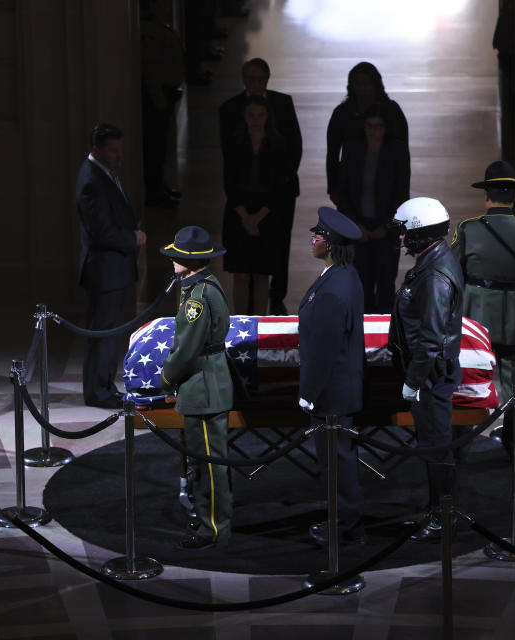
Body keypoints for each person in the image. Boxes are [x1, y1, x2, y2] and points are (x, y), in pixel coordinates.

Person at [452, 161, 515, 458]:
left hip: (477, 317)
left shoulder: (468, 230)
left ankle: (462, 443)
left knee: (469, 382)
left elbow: (454, 273)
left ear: (486, 196)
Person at [388, 197, 464, 540]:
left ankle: (442, 516)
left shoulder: (434, 275)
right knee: (434, 443)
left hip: (430, 376)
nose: (401, 238)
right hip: (430, 372)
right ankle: (438, 509)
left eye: (404, 231)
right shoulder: (431, 261)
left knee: (436, 445)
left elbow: (431, 338)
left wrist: (413, 381)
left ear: (419, 232)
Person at [159, 226, 234, 550]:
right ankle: (207, 518)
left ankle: (214, 528)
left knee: (210, 465)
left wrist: (164, 378)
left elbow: (187, 350)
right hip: (204, 384)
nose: (171, 260)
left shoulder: (198, 298)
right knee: (202, 462)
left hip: (203, 388)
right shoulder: (199, 287)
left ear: (185, 261)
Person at [298, 207, 367, 546]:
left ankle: (344, 526)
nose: (313, 238)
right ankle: (344, 521)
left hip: (332, 392)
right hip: (341, 388)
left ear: (332, 244)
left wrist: (309, 392)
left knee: (337, 464)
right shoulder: (344, 275)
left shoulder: (332, 289)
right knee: (338, 461)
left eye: (319, 235)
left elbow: (325, 349)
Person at [219, 58, 302, 315]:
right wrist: (245, 215)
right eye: (250, 79)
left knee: (270, 261)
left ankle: (272, 305)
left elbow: (294, 151)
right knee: (242, 272)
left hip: (274, 201)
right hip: (241, 208)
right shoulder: (230, 112)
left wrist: (262, 213)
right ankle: (241, 325)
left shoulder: (282, 108)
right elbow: (229, 172)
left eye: (259, 79)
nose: (255, 84)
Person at [76, 124, 147, 408]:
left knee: (110, 333)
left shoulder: (104, 173)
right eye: (113, 150)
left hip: (114, 271)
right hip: (104, 272)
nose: (119, 155)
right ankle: (97, 392)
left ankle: (105, 385)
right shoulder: (91, 181)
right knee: (102, 333)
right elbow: (101, 232)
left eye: (120, 149)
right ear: (96, 150)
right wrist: (133, 238)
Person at [334, 102, 410, 312]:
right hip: (357, 228)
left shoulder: (396, 151)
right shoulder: (352, 149)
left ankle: (384, 339)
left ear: (385, 128)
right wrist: (355, 225)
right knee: (360, 287)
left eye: (378, 126)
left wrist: (386, 226)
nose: (373, 130)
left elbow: (401, 193)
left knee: (386, 286)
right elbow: (343, 192)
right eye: (369, 125)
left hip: (387, 230)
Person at [326, 62, 409, 207]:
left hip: (386, 183)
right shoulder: (342, 113)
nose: (362, 88)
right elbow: (332, 153)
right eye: (357, 84)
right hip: (351, 184)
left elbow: (402, 156)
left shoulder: (392, 112)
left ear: (375, 84)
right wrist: (333, 187)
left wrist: (402, 192)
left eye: (366, 83)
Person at [140, 0, 184, 208]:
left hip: (166, 93)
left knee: (162, 145)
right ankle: (154, 189)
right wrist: (159, 99)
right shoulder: (149, 30)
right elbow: (150, 68)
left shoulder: (158, 25)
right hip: (158, 95)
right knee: (154, 146)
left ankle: (160, 185)